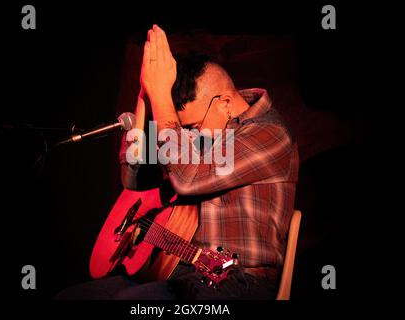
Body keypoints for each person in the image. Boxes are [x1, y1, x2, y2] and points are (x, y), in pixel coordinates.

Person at [56, 24, 299, 300]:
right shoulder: (210, 131)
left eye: (194, 126)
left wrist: (162, 96)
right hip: (177, 270)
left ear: (226, 103)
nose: (191, 135)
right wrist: (146, 94)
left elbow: (188, 179)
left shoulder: (268, 132)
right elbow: (134, 178)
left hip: (239, 281)